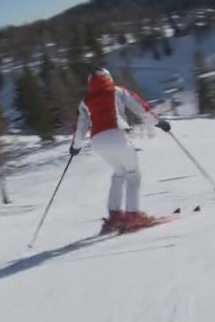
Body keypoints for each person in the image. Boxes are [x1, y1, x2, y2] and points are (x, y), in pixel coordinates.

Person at [70, 67, 171, 235]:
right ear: (108, 77)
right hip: (117, 134)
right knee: (133, 172)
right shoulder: (117, 91)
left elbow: (80, 126)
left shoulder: (85, 101)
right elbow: (140, 107)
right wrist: (158, 122)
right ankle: (133, 215)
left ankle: (115, 216)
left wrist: (76, 146)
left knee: (119, 172)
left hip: (98, 141)